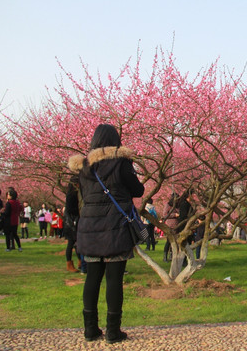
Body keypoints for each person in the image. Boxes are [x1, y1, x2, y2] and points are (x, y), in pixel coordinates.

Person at [68, 123, 144, 344]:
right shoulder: (121, 163)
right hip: (116, 229)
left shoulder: (83, 167)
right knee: (114, 280)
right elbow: (138, 190)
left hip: (90, 229)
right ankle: (113, 332)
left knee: (92, 278)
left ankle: (90, 330)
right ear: (115, 141)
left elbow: (81, 196)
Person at [63, 177, 82, 273]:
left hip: (73, 221)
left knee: (76, 243)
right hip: (70, 222)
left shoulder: (75, 194)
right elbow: (70, 210)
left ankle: (80, 261)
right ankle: (69, 264)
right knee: (71, 243)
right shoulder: (71, 195)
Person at [162, 192, 179, 262]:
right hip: (170, 225)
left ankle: (172, 255)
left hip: (177, 225)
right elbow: (165, 215)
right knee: (169, 241)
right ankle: (165, 256)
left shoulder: (178, 205)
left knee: (175, 241)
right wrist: (174, 215)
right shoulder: (168, 205)